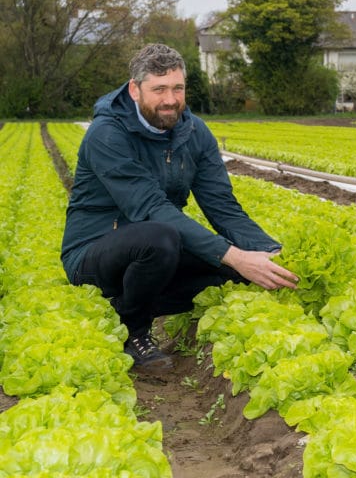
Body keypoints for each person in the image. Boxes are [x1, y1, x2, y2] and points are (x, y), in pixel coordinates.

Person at [61, 44, 299, 370]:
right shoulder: (107, 134)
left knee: (239, 272)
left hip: (157, 248)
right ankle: (135, 333)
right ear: (135, 89)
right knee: (162, 237)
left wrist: (269, 255)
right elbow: (150, 208)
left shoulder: (194, 132)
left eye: (177, 88)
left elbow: (223, 206)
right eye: (158, 89)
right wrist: (233, 254)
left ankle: (123, 307)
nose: (170, 99)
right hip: (95, 252)